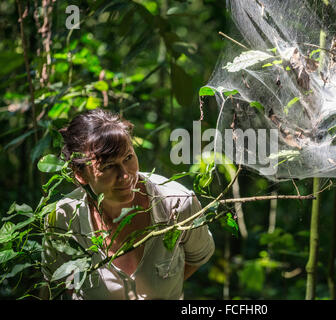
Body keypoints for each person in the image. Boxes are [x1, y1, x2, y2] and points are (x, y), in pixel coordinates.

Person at [41, 108, 215, 300]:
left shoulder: (178, 204)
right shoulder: (63, 219)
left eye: (128, 158)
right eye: (107, 167)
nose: (125, 175)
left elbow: (197, 257)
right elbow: (56, 285)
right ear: (79, 173)